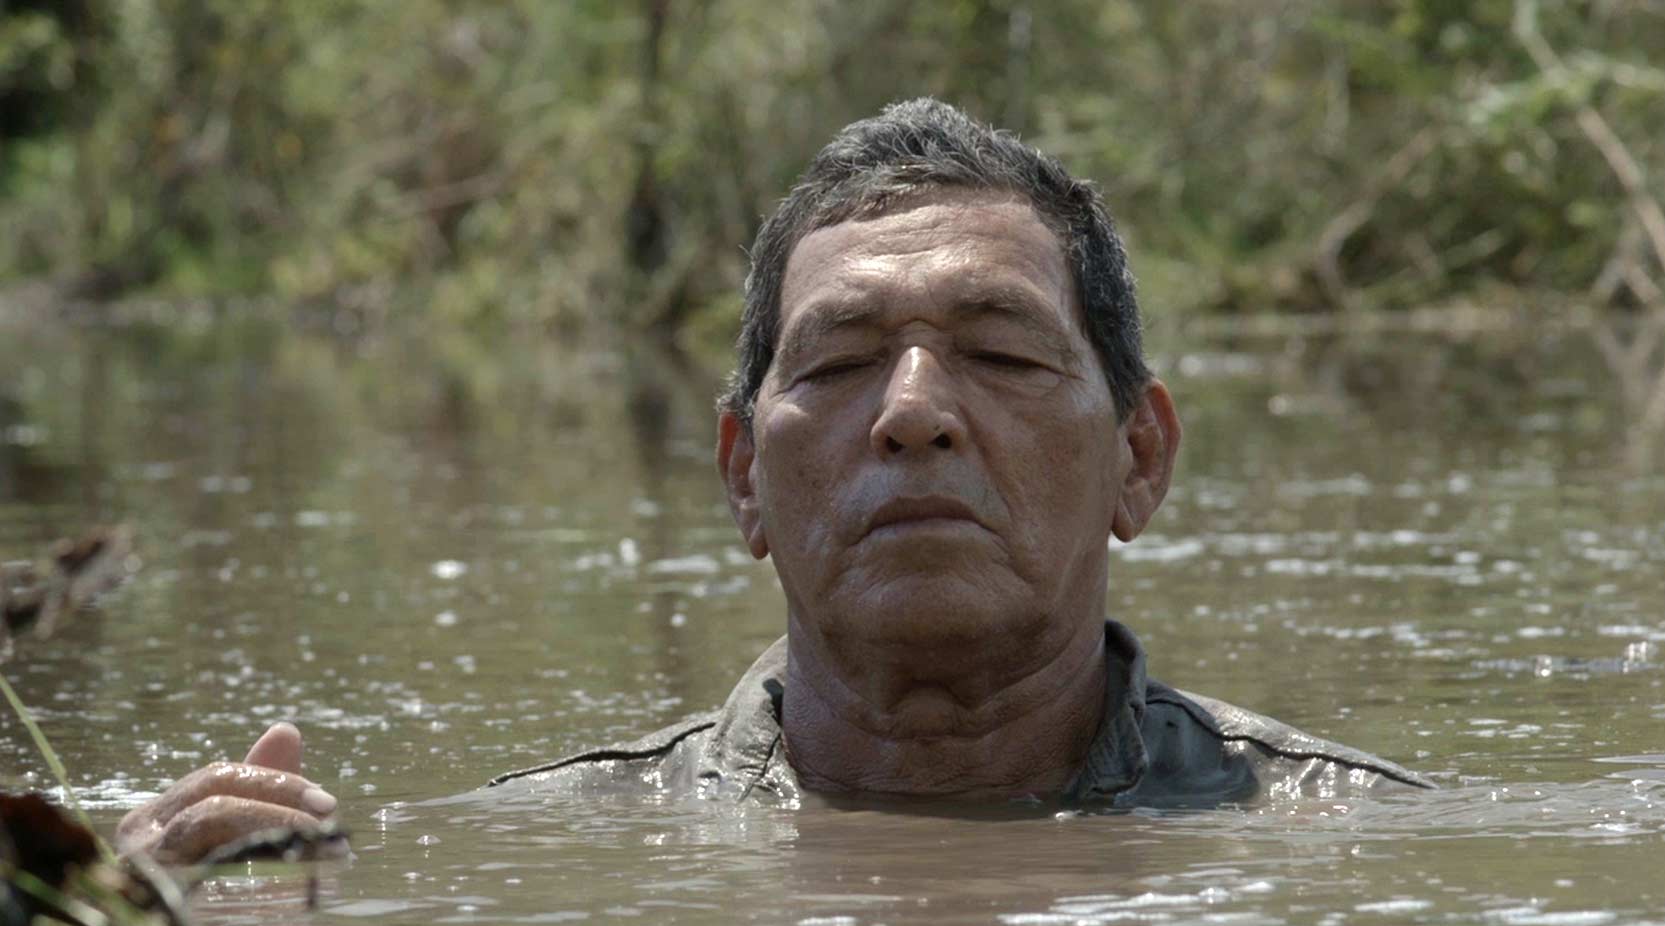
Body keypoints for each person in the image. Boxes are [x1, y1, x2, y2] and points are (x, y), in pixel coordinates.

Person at [116, 99, 1431, 863]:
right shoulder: (542, 851)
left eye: (1000, 350)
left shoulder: (1346, 844)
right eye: (844, 359)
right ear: (743, 475)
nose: (915, 415)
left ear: (1137, 458)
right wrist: (138, 922)